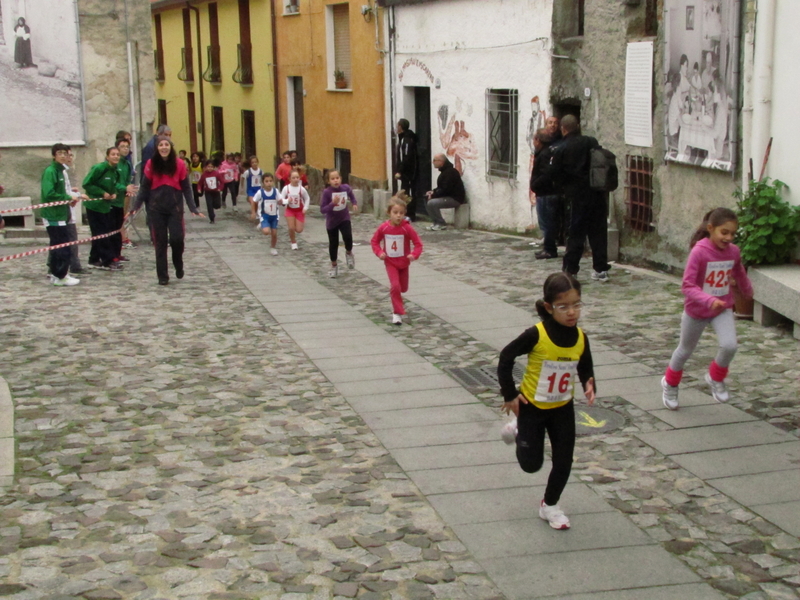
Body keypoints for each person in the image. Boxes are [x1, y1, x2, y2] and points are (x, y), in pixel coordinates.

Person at [497, 272, 595, 530]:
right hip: (532, 407)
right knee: (532, 465)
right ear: (549, 307)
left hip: (562, 407)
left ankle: (549, 505)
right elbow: (506, 357)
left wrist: (588, 382)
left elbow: (584, 362)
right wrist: (509, 394)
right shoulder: (536, 334)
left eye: (577, 304)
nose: (572, 312)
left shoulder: (581, 336)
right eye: (564, 307)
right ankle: (518, 430)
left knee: (564, 459)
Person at [661, 208, 753, 410]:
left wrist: (747, 291)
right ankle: (670, 383)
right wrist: (708, 300)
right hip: (697, 311)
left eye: (732, 234)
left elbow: (739, 272)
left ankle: (715, 377)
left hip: (722, 309)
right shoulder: (699, 252)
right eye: (724, 232)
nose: (728, 238)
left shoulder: (733, 251)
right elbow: (687, 285)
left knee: (730, 346)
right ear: (711, 229)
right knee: (685, 350)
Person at [129, 136, 204, 285]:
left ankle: (178, 262)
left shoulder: (180, 164)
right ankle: (162, 276)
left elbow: (186, 188)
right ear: (157, 148)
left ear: (171, 147)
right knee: (160, 242)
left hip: (174, 208)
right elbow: (144, 188)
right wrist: (135, 207)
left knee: (177, 239)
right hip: (156, 209)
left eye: (166, 145)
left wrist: (192, 207)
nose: (164, 147)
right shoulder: (151, 164)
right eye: (161, 145)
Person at [549, 115, 612, 281]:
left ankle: (571, 269)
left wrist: (562, 188)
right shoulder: (591, 141)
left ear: (563, 129)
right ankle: (601, 268)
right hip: (596, 193)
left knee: (576, 233)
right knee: (598, 233)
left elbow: (554, 173)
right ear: (577, 126)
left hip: (576, 196)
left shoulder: (562, 148)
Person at [370, 194, 423, 325]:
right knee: (395, 286)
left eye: (401, 213)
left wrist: (414, 255)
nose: (398, 216)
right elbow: (374, 241)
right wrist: (380, 252)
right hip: (390, 263)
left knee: (403, 288)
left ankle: (398, 302)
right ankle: (397, 313)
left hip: (404, 263)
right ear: (389, 213)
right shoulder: (384, 228)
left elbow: (418, 244)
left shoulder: (407, 228)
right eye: (395, 212)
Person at [40, 144, 80, 286]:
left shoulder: (60, 171)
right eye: (60, 153)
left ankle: (58, 274)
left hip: (61, 214)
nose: (63, 156)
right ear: (54, 155)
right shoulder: (51, 171)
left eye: (65, 153)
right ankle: (60, 275)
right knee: (61, 246)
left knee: (62, 245)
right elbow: (49, 193)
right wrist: (68, 197)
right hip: (53, 215)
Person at [83, 147, 123, 271]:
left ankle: (93, 259)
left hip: (105, 207)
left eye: (117, 154)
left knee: (100, 233)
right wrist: (101, 193)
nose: (116, 156)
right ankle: (107, 261)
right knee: (102, 234)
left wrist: (114, 193)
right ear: (107, 156)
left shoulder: (115, 171)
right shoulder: (99, 168)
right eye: (113, 154)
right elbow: (87, 184)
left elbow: (114, 185)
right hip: (94, 207)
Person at [320, 170, 358, 278]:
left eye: (337, 178)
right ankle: (334, 265)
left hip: (344, 218)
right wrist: (332, 204)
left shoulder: (345, 188)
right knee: (333, 244)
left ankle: (349, 253)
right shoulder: (327, 193)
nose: (335, 180)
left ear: (340, 178)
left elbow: (351, 194)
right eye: (332, 179)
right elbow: (323, 210)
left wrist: (354, 203)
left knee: (348, 237)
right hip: (332, 222)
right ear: (328, 181)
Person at [529, 129, 560, 260]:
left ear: (538, 140)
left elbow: (546, 174)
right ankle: (548, 247)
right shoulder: (545, 152)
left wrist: (535, 184)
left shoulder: (545, 154)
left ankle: (550, 249)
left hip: (546, 193)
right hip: (545, 192)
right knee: (547, 222)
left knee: (548, 223)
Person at [425, 154, 466, 231]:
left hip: (455, 199)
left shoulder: (450, 172)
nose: (432, 162)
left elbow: (446, 189)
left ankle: (441, 224)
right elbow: (442, 188)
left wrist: (434, 195)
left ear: (441, 162)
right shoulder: (445, 172)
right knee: (428, 199)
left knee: (432, 203)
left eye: (434, 160)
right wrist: (432, 192)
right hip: (449, 197)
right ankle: (436, 222)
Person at [115, 138, 138, 250]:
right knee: (116, 219)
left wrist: (129, 188)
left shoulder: (127, 163)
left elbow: (129, 179)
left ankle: (122, 238)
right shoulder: (115, 162)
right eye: (122, 146)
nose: (125, 149)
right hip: (115, 196)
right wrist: (124, 187)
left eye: (127, 147)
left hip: (125, 194)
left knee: (122, 217)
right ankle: (121, 239)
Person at [394, 119, 419, 221]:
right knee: (406, 192)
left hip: (409, 172)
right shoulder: (403, 138)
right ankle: (407, 213)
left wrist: (400, 170)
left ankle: (411, 214)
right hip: (407, 171)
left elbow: (406, 156)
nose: (396, 128)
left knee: (407, 193)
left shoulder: (407, 139)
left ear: (400, 127)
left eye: (397, 126)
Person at [280, 169, 310, 250]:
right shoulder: (286, 188)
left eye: (297, 177)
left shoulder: (301, 189)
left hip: (299, 210)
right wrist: (287, 201)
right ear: (289, 179)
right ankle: (293, 242)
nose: (296, 179)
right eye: (293, 178)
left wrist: (305, 207)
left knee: (299, 230)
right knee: (291, 227)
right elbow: (281, 199)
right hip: (290, 210)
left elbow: (307, 198)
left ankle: (296, 231)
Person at [253, 173, 280, 255]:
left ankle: (273, 247)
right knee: (266, 232)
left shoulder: (276, 191)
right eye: (266, 181)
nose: (269, 183)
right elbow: (254, 201)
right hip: (264, 215)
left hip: (274, 215)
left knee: (274, 233)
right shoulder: (260, 192)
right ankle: (262, 224)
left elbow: (280, 199)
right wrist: (254, 212)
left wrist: (285, 201)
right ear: (263, 183)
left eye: (271, 181)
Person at [197, 159, 222, 224]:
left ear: (214, 167)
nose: (210, 168)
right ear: (206, 167)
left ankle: (216, 205)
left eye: (211, 167)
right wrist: (199, 189)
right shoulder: (204, 175)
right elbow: (200, 183)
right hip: (208, 192)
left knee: (217, 205)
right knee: (209, 205)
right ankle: (212, 218)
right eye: (208, 166)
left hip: (216, 191)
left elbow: (222, 182)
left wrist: (220, 188)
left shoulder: (216, 173)